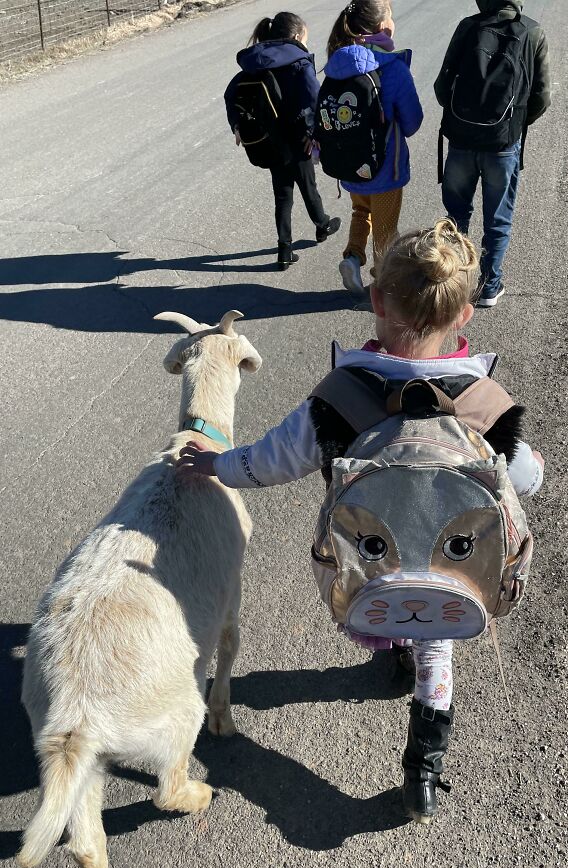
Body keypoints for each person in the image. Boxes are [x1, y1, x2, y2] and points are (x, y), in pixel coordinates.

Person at [176, 220, 544, 822]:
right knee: (438, 650)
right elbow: (522, 479)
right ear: (464, 316)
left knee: (389, 575)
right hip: (455, 572)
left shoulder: (341, 396)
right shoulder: (485, 404)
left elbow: (270, 462)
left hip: (366, 570)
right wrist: (531, 462)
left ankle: (395, 639)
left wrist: (217, 462)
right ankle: (423, 770)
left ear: (376, 299)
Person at [434, 0, 551, 306]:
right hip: (503, 143)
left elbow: (441, 86)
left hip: (461, 140)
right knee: (497, 219)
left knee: (456, 214)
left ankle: (452, 281)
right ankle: (488, 286)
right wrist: (515, 122)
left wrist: (461, 115)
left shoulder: (469, 27)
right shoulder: (533, 33)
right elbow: (542, 96)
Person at [224, 12, 341, 270]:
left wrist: (236, 125)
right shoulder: (298, 63)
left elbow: (231, 93)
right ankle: (322, 226)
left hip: (270, 141)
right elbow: (315, 99)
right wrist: (318, 134)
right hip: (298, 139)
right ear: (297, 37)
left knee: (282, 196)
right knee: (308, 186)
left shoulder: (256, 62)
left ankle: (284, 250)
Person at [323, 1, 423, 302]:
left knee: (360, 210)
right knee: (385, 230)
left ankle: (352, 257)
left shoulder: (338, 64)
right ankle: (381, 289)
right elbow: (412, 122)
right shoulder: (392, 68)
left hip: (351, 167)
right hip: (384, 170)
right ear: (383, 27)